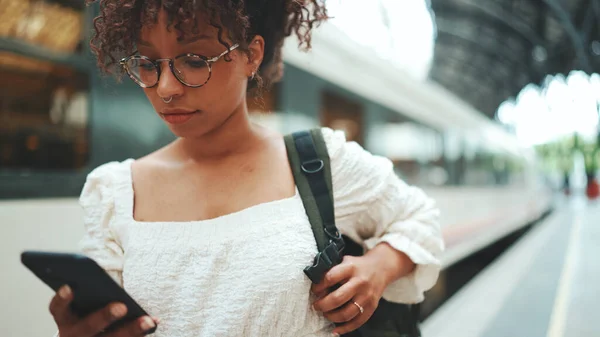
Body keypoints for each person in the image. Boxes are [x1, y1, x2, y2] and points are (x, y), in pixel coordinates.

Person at [48, 1, 444, 336]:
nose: (166, 87)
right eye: (149, 64)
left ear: (252, 55)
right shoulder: (116, 191)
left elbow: (419, 218)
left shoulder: (318, 161)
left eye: (194, 60)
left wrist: (379, 267)